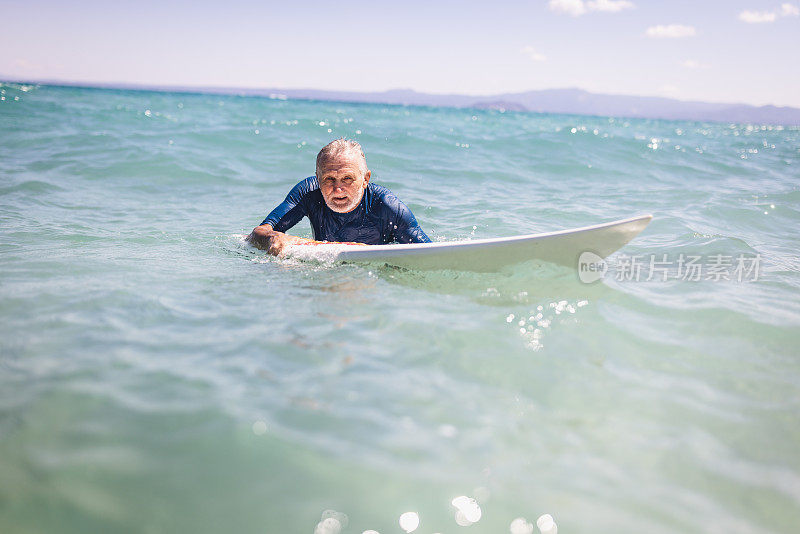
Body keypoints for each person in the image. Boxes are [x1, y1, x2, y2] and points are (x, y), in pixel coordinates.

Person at [248, 138, 430, 255]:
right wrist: (273, 238)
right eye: (329, 179)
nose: (338, 189)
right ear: (318, 179)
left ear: (365, 179)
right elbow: (258, 233)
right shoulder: (309, 193)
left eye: (347, 179)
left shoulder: (387, 207)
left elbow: (430, 253)